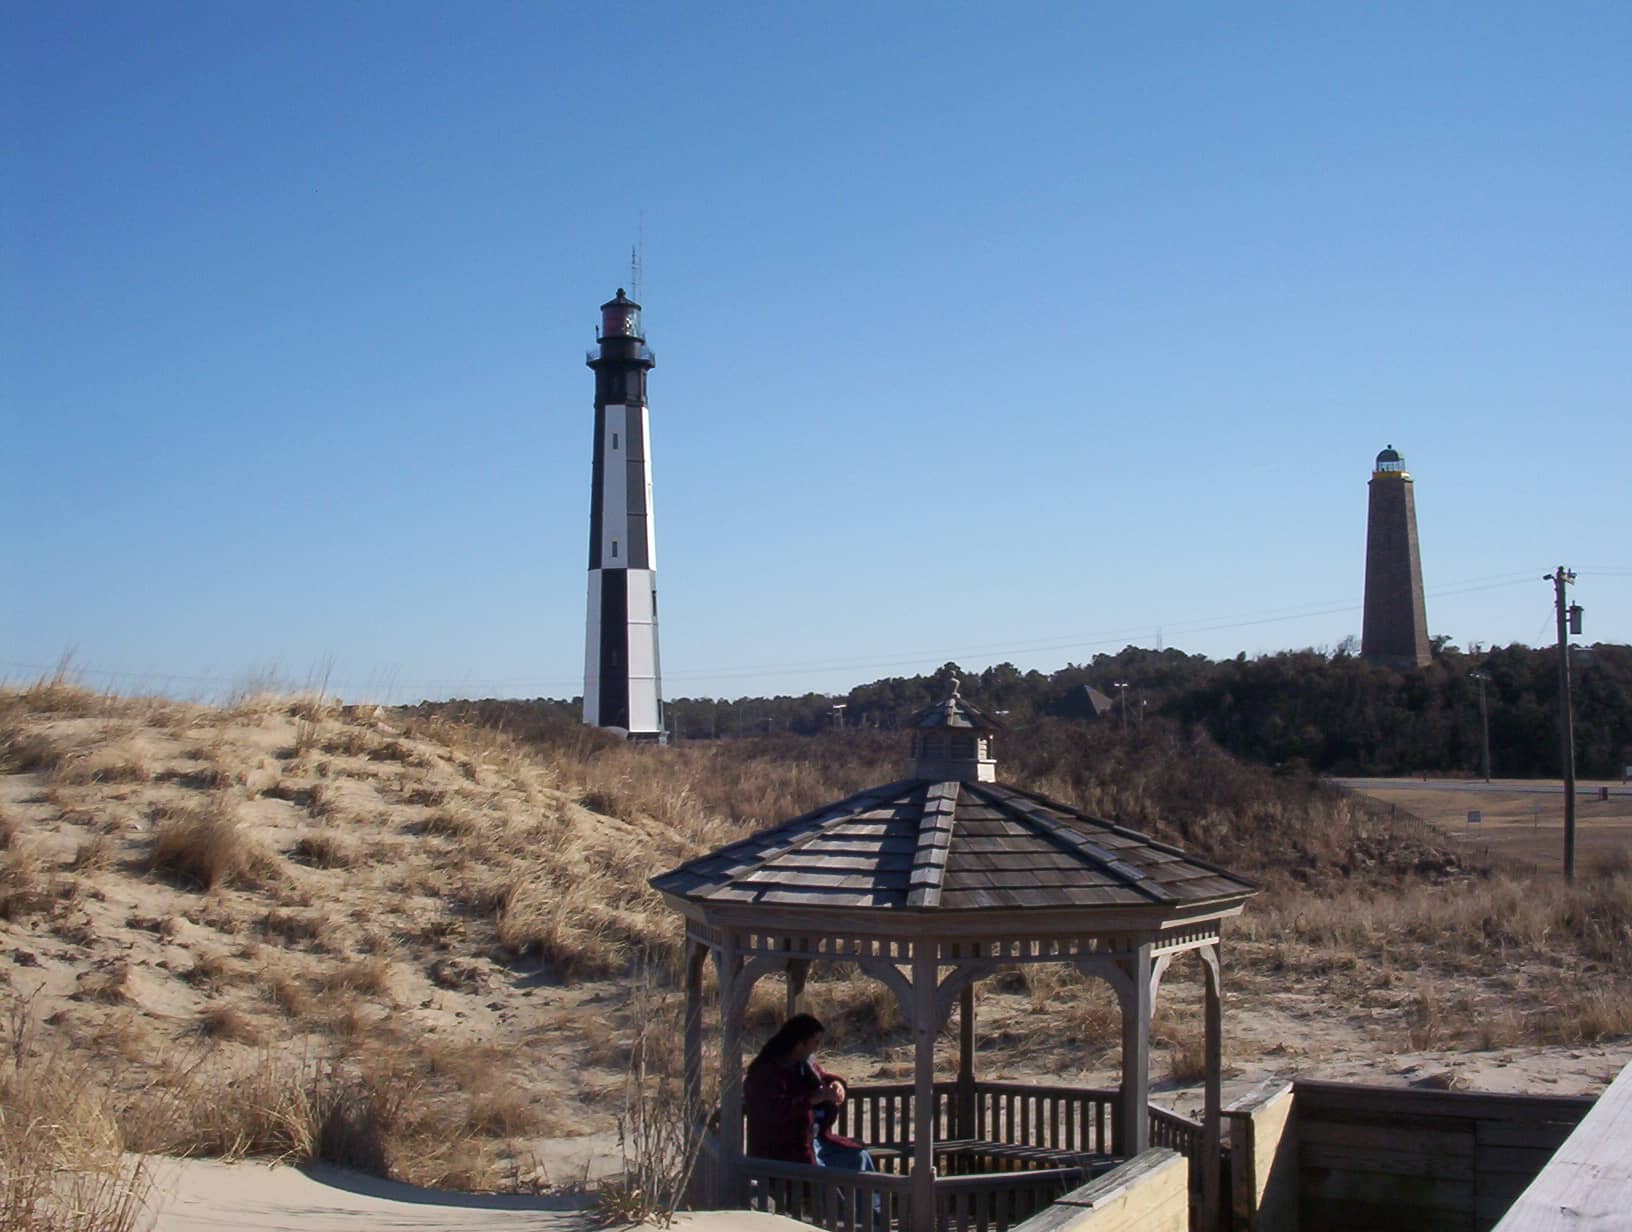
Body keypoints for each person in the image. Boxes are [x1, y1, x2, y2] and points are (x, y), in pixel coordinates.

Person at [744, 1013, 874, 1171]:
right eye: (815, 1042)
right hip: (784, 1152)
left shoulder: (804, 1064)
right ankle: (837, 1197)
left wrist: (836, 1084)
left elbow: (822, 1078)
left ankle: (870, 1197)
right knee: (827, 1180)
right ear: (800, 1044)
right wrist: (811, 1099)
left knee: (859, 1157)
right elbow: (773, 1110)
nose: (817, 1047)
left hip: (816, 1141)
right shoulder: (765, 1072)